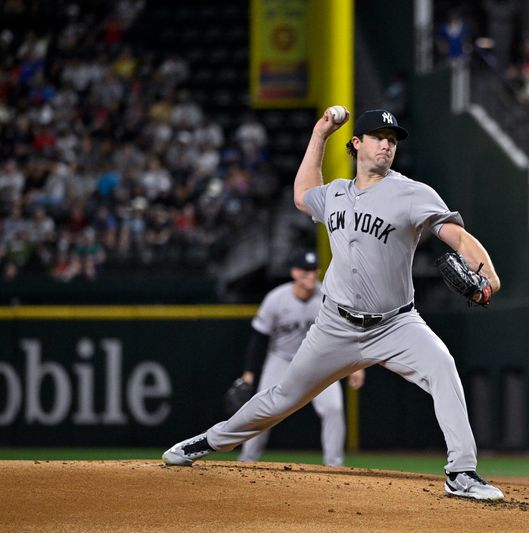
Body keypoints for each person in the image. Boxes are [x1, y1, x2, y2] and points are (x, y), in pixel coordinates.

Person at [163, 108, 505, 501]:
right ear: (357, 143)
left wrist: (488, 275)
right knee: (280, 399)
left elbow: (457, 237)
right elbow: (302, 195)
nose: (387, 145)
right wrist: (319, 134)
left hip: (396, 325)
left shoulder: (413, 193)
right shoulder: (337, 193)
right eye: (378, 136)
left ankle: (461, 471)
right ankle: (207, 442)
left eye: (392, 140)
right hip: (335, 326)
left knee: (443, 367)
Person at [237, 250, 365, 466]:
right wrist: (248, 376)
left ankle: (335, 466)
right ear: (295, 273)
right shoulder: (276, 299)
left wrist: (356, 367)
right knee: (263, 409)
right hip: (282, 359)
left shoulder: (328, 295)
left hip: (318, 361)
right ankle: (246, 462)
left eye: (314, 270)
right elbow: (259, 340)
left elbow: (347, 330)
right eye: (306, 271)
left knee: (333, 408)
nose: (311, 275)